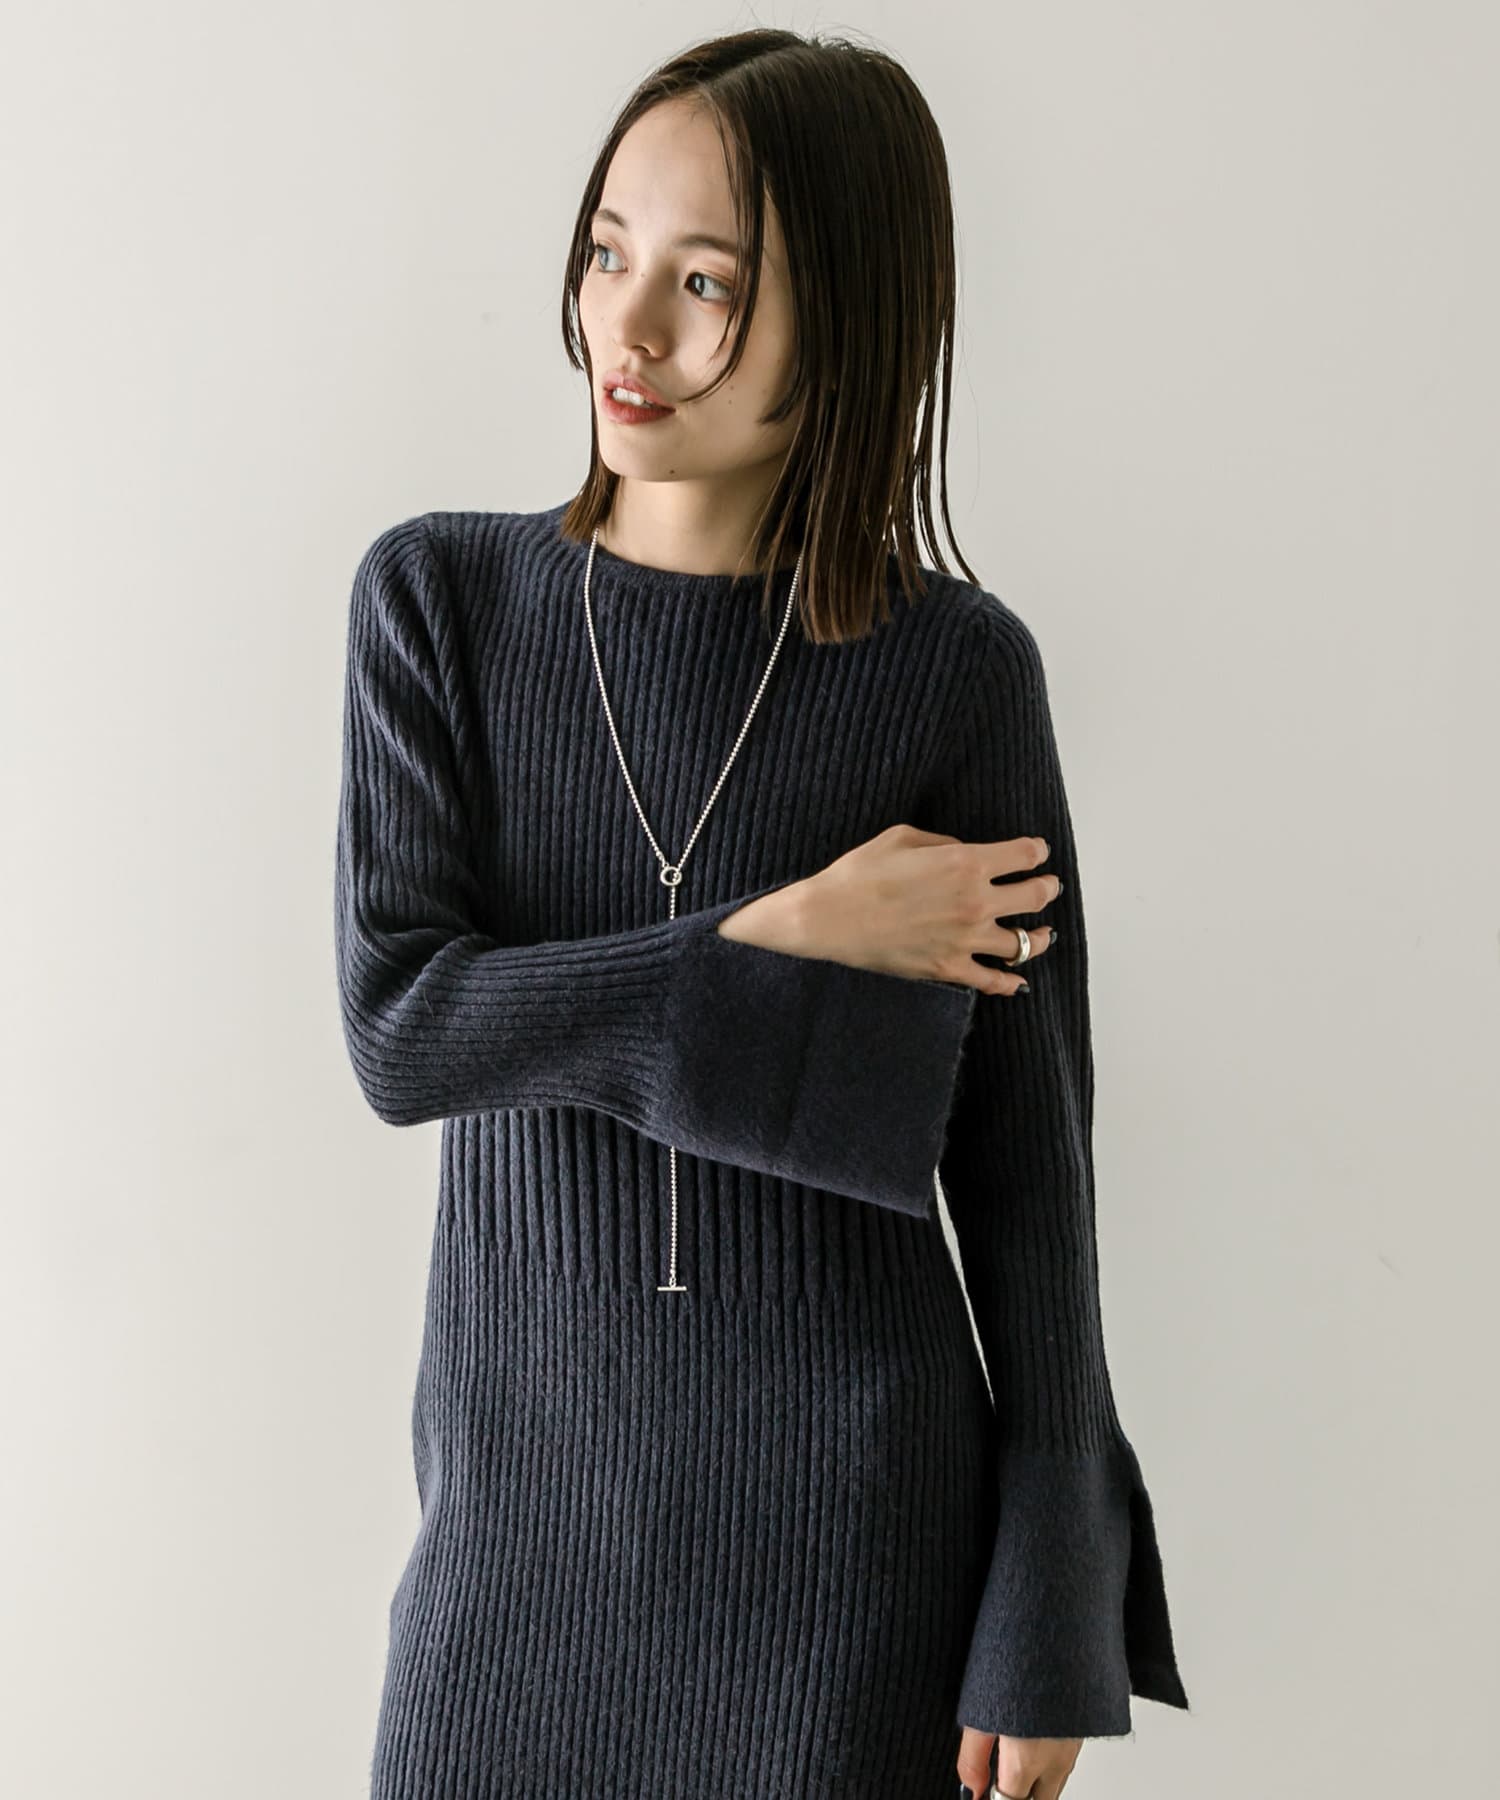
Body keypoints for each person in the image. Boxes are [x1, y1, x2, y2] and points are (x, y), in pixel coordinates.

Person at [334, 26, 1189, 1800]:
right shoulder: (439, 605)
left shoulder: (956, 675)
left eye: (707, 282)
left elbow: (1031, 1175)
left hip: (854, 1566)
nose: (628, 328)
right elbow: (405, 1030)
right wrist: (777, 942)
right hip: (516, 1550)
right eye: (609, 251)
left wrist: (1049, 1605)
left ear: (850, 321)